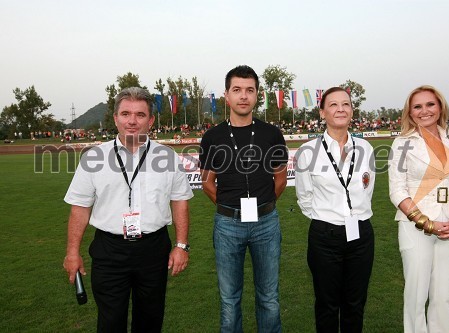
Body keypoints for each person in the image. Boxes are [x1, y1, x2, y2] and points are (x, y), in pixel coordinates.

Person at [63, 87, 193, 332]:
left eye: (140, 115)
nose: (132, 121)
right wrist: (72, 252)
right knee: (111, 322)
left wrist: (181, 245)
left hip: (153, 250)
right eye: (125, 114)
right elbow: (79, 208)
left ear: (151, 120)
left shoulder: (168, 157)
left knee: (150, 321)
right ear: (115, 118)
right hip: (109, 251)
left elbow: (180, 201)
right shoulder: (93, 157)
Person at [198, 65, 288, 333]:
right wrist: (230, 209)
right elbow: (207, 182)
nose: (243, 96)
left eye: (249, 90)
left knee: (269, 298)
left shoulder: (271, 134)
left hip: (266, 223)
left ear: (257, 95)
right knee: (229, 299)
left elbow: (280, 179)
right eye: (237, 90)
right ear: (227, 95)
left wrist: (263, 207)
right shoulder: (212, 136)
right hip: (227, 226)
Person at [388, 85, 449, 333]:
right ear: (410, 112)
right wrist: (427, 224)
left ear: (440, 107)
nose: (424, 111)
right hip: (415, 228)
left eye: (430, 104)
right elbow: (397, 190)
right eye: (417, 106)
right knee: (416, 295)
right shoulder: (403, 143)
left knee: (445, 296)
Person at [295, 87, 376, 333]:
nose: (340, 109)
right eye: (333, 105)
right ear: (322, 113)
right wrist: (328, 219)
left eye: (346, 104)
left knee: (355, 304)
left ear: (352, 111)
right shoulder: (308, 151)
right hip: (324, 236)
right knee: (327, 305)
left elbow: (367, 190)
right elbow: (304, 196)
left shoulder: (366, 148)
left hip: (360, 235)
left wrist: (352, 215)